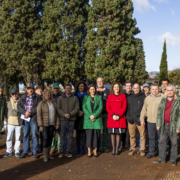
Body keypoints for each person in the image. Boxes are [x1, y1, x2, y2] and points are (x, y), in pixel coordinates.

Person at [153, 85, 180, 166]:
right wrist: (158, 124)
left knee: (174, 143)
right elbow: (159, 112)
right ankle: (161, 159)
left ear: (174, 91)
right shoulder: (163, 100)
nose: (169, 92)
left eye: (171, 90)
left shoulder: (178, 100)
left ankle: (173, 160)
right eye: (168, 90)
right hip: (163, 125)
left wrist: (178, 127)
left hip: (174, 126)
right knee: (161, 142)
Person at [17, 83, 42, 159]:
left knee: (34, 135)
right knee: (25, 135)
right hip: (25, 118)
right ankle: (26, 152)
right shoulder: (23, 97)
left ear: (34, 90)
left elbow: (38, 106)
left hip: (34, 118)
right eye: (29, 88)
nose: (30, 90)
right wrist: (25, 112)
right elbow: (19, 106)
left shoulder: (38, 97)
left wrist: (30, 112)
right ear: (27, 90)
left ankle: (34, 152)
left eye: (32, 88)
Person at [140, 84, 164, 159]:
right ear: (150, 89)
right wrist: (142, 119)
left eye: (156, 89)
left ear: (158, 89)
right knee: (151, 138)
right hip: (150, 122)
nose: (154, 91)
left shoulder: (163, 97)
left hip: (160, 122)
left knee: (161, 138)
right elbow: (144, 109)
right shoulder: (147, 98)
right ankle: (152, 153)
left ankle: (161, 154)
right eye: (153, 89)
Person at [37, 88, 60, 162]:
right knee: (45, 139)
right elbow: (39, 115)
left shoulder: (53, 103)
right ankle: (45, 156)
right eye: (46, 93)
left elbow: (56, 115)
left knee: (50, 139)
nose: (47, 95)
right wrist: (40, 125)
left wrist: (57, 124)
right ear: (44, 95)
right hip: (44, 124)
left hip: (52, 124)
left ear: (50, 94)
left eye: (49, 93)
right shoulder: (41, 103)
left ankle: (49, 155)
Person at [58, 83, 79, 158]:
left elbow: (77, 108)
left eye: (69, 88)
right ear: (64, 89)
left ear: (71, 89)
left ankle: (68, 151)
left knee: (70, 136)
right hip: (63, 119)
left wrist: (70, 114)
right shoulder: (60, 98)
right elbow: (58, 108)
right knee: (63, 136)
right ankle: (62, 151)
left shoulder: (75, 98)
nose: (68, 89)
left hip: (72, 119)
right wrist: (64, 114)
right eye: (66, 88)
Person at [106, 82, 127, 155]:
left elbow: (124, 107)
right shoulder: (110, 96)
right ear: (112, 88)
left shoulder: (123, 96)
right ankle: (113, 149)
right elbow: (108, 107)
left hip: (119, 118)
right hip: (112, 118)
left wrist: (118, 115)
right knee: (112, 134)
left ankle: (117, 149)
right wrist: (113, 115)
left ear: (120, 88)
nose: (116, 88)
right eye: (115, 87)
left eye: (117, 87)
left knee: (118, 134)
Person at [83, 84, 103, 158]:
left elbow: (100, 107)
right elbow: (84, 107)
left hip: (96, 120)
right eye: (91, 89)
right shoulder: (85, 97)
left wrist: (94, 115)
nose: (93, 90)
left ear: (95, 89)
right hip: (88, 120)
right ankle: (89, 150)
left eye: (94, 89)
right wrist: (90, 116)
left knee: (96, 136)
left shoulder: (99, 97)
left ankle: (95, 150)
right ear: (89, 90)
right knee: (89, 136)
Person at [126, 83, 146, 156]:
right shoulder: (130, 98)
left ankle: (142, 149)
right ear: (133, 89)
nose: (136, 89)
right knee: (132, 135)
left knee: (142, 135)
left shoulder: (143, 97)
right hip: (131, 120)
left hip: (140, 120)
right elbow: (127, 109)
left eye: (137, 88)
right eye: (134, 88)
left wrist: (142, 119)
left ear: (139, 88)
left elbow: (145, 109)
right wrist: (128, 117)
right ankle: (132, 148)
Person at [4, 88, 21, 158]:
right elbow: (5, 111)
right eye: (12, 94)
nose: (14, 95)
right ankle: (9, 151)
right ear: (10, 94)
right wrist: (7, 119)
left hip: (18, 123)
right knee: (9, 138)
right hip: (10, 123)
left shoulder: (21, 101)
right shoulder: (7, 102)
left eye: (15, 93)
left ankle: (17, 151)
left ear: (18, 93)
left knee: (18, 138)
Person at [97, 77, 110, 153]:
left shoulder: (108, 91)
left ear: (103, 82)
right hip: (97, 115)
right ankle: (97, 147)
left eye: (101, 81)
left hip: (106, 114)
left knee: (105, 131)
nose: (99, 83)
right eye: (98, 82)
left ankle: (105, 146)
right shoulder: (95, 91)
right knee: (98, 132)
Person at [74, 81, 88, 154]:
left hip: (85, 115)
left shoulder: (87, 94)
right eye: (79, 86)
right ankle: (78, 147)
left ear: (84, 87)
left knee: (84, 133)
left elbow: (88, 105)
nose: (81, 87)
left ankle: (82, 147)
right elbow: (74, 105)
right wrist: (78, 111)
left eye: (82, 86)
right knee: (78, 133)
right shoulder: (75, 94)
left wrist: (83, 111)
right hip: (77, 116)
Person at [121, 81, 133, 150]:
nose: (129, 87)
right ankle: (122, 144)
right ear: (125, 87)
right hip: (123, 115)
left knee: (131, 131)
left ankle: (129, 144)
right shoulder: (122, 95)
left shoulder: (133, 95)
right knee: (123, 131)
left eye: (130, 86)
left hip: (131, 115)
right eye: (127, 86)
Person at [50, 83, 62, 155]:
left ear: (59, 89)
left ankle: (59, 147)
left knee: (60, 133)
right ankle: (52, 148)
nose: (56, 89)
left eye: (57, 88)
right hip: (52, 117)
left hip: (60, 116)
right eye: (54, 88)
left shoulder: (62, 96)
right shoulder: (50, 96)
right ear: (52, 89)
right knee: (53, 133)